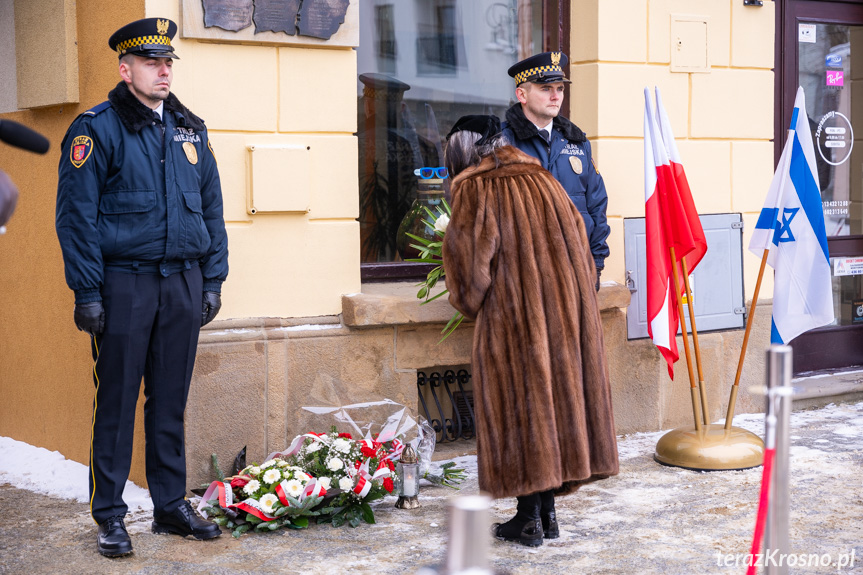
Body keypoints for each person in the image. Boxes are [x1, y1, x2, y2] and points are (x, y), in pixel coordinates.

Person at [55, 18, 227, 557]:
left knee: (169, 400)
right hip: (124, 285)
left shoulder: (188, 128)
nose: (164, 70)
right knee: (117, 402)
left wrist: (213, 277)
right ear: (125, 69)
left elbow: (212, 209)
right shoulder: (96, 129)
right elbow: (76, 218)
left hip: (181, 282)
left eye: (168, 61)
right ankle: (109, 514)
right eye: (153, 62)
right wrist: (87, 291)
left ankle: (171, 505)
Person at [441, 115, 618, 547]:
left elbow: (469, 277)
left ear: (463, 150)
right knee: (551, 411)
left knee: (522, 411)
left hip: (514, 321)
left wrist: (468, 300)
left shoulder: (475, 188)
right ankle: (546, 513)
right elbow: (579, 233)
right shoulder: (543, 178)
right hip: (564, 316)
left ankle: (528, 517)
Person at [501, 51, 610, 290]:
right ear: (522, 94)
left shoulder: (577, 141)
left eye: (560, 89)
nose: (555, 96)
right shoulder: (503, 144)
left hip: (576, 269)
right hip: (524, 276)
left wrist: (596, 262)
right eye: (545, 89)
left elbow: (596, 205)